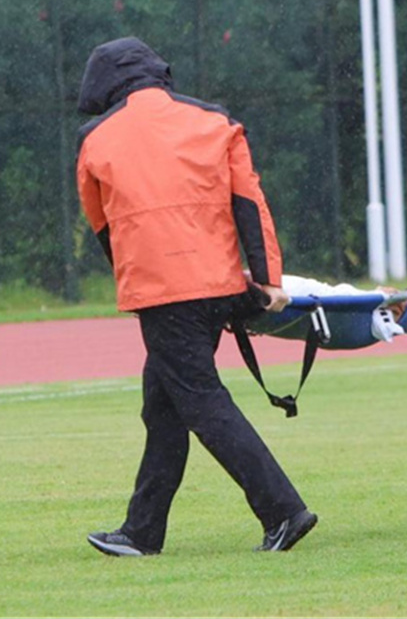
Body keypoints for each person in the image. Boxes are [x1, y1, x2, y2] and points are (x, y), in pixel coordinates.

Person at [75, 36, 317, 555]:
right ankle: (142, 531)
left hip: (163, 293)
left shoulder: (95, 138)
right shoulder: (213, 120)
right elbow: (248, 201)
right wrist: (267, 278)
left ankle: (283, 510)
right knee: (163, 405)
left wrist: (137, 278)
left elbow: (104, 228)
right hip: (221, 285)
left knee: (203, 402)